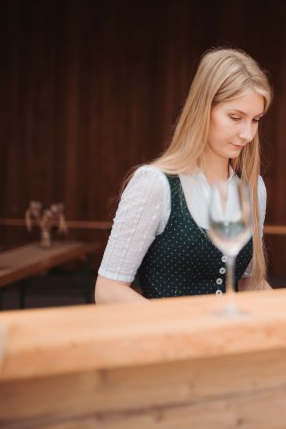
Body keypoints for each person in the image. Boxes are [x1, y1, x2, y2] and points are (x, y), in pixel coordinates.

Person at [95, 48, 272, 303]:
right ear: (203, 110)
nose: (247, 134)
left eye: (256, 120)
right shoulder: (155, 184)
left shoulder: (252, 188)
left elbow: (248, 283)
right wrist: (182, 331)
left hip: (229, 340)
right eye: (235, 117)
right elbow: (108, 291)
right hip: (166, 340)